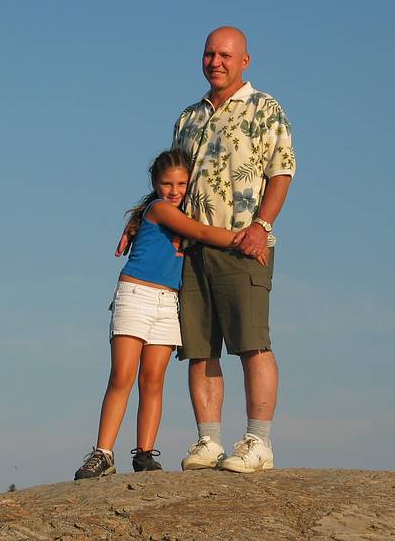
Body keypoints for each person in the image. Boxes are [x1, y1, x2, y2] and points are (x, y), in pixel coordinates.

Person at [120, 26, 296, 473]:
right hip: (191, 250)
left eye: (225, 55)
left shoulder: (265, 109)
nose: (215, 62)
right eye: (208, 54)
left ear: (244, 61)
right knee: (200, 349)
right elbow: (170, 183)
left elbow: (282, 171)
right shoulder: (187, 118)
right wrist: (138, 218)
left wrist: (262, 225)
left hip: (244, 245)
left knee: (253, 342)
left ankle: (259, 441)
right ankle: (209, 440)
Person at [75, 150, 262, 480]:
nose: (174, 191)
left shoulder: (182, 208)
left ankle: (144, 453)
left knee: (153, 380)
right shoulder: (160, 209)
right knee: (123, 375)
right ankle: (103, 452)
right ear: (154, 184)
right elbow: (202, 234)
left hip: (167, 302)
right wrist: (244, 240)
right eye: (166, 183)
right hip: (136, 295)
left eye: (181, 184)